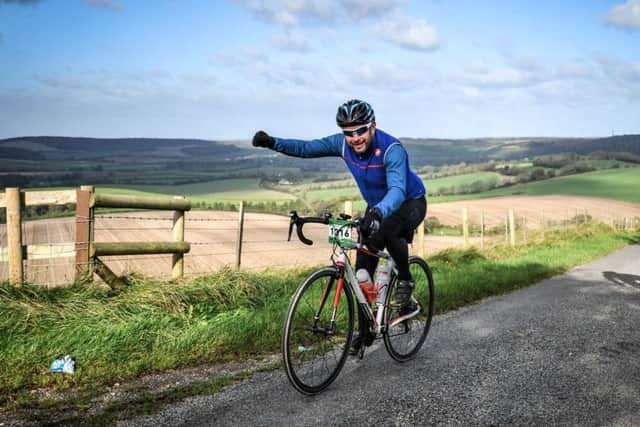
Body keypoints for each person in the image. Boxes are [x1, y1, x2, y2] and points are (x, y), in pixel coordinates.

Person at [252, 99, 427, 311]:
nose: (355, 138)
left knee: (390, 231)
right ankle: (368, 328)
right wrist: (272, 142)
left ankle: (405, 280)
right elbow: (307, 148)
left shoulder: (391, 149)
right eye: (348, 132)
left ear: (373, 126)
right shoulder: (341, 144)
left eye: (360, 131)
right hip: (376, 208)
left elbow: (398, 190)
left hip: (410, 202)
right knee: (361, 273)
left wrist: (379, 212)